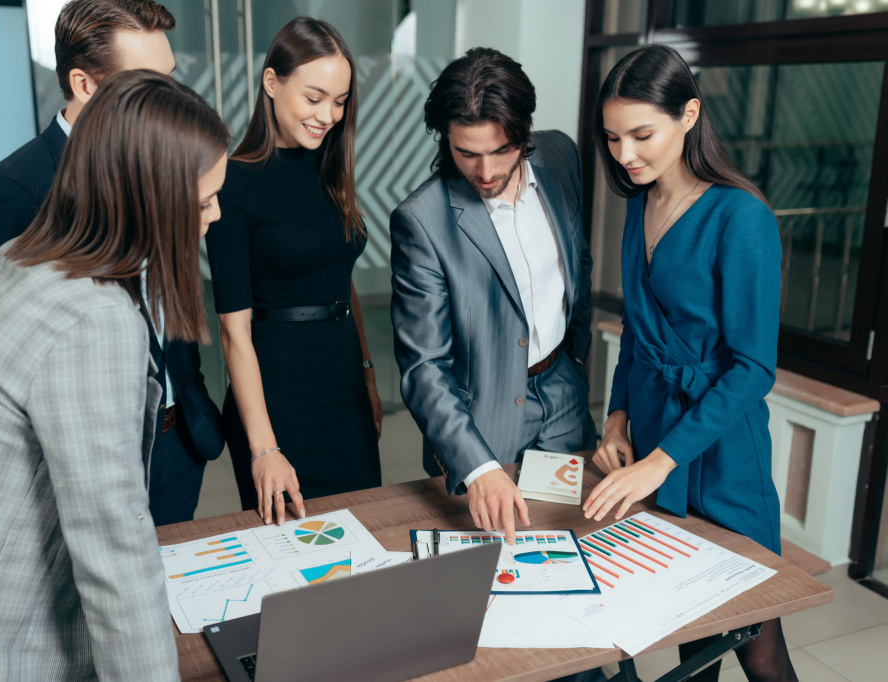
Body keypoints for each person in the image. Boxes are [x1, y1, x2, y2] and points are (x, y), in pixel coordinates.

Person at [0, 70, 228, 681]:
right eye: (202, 201)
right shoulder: (93, 319)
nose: (215, 216)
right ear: (150, 201)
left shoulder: (23, 256)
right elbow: (111, 543)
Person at [0, 0, 224, 525]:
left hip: (179, 439)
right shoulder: (13, 191)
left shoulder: (168, 161)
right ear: (84, 85)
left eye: (170, 78)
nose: (170, 100)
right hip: (81, 467)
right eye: (148, 84)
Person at [584, 44, 796, 682]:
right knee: (687, 638)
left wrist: (658, 461)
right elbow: (637, 334)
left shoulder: (741, 217)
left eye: (642, 135)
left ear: (690, 114)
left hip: (723, 457)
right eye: (614, 137)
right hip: (651, 433)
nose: (626, 155)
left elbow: (754, 368)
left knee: (757, 647)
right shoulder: (637, 204)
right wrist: (618, 420)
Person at [391, 47, 596, 545]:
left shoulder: (560, 157)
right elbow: (423, 366)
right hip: (481, 418)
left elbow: (578, 266)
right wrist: (478, 466)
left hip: (563, 395)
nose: (484, 170)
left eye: (501, 150)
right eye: (466, 152)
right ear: (446, 140)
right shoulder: (423, 219)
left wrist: (572, 360)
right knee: (494, 571)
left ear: (524, 132)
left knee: (578, 548)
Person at [206, 17, 381, 526]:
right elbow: (233, 331)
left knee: (362, 544)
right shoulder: (232, 182)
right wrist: (264, 450)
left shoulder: (330, 169)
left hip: (344, 389)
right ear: (271, 82)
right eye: (314, 97)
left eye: (340, 101)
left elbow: (337, 276)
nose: (328, 115)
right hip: (275, 397)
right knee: (293, 559)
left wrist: (368, 375)